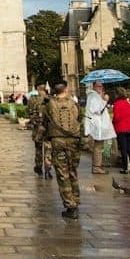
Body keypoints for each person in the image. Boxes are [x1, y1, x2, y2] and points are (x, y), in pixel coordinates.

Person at [45, 80, 82, 218]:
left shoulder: (49, 104)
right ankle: (76, 201)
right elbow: (79, 118)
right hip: (73, 141)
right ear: (66, 90)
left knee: (62, 173)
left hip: (58, 141)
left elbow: (45, 122)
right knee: (73, 171)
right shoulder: (74, 103)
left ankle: (70, 206)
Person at [84, 81, 115, 174]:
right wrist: (105, 101)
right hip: (97, 125)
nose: (100, 88)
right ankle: (97, 167)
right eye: (98, 86)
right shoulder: (93, 96)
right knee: (98, 146)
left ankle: (98, 165)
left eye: (101, 86)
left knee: (99, 146)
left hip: (99, 124)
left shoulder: (96, 96)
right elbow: (97, 110)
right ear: (94, 86)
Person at [112, 87, 130, 176]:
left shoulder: (117, 104)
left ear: (117, 94)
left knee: (123, 149)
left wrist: (113, 122)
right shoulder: (128, 103)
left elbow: (117, 118)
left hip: (121, 129)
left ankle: (125, 168)